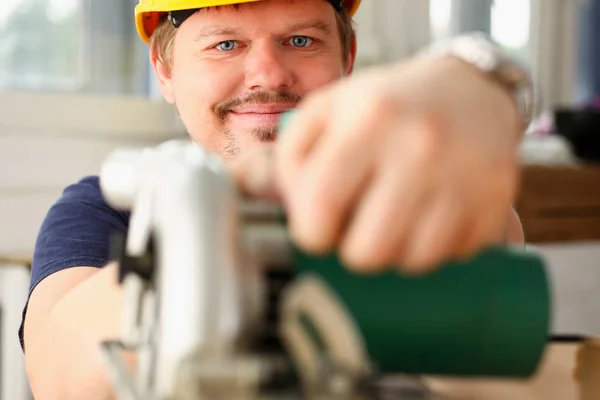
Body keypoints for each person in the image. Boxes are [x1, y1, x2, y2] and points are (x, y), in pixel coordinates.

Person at [21, 0, 526, 398]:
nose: (268, 76)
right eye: (225, 45)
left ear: (347, 59)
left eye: (301, 40)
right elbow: (59, 373)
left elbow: (499, 267)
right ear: (165, 69)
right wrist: (212, 231)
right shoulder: (103, 209)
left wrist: (476, 84)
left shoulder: (398, 193)